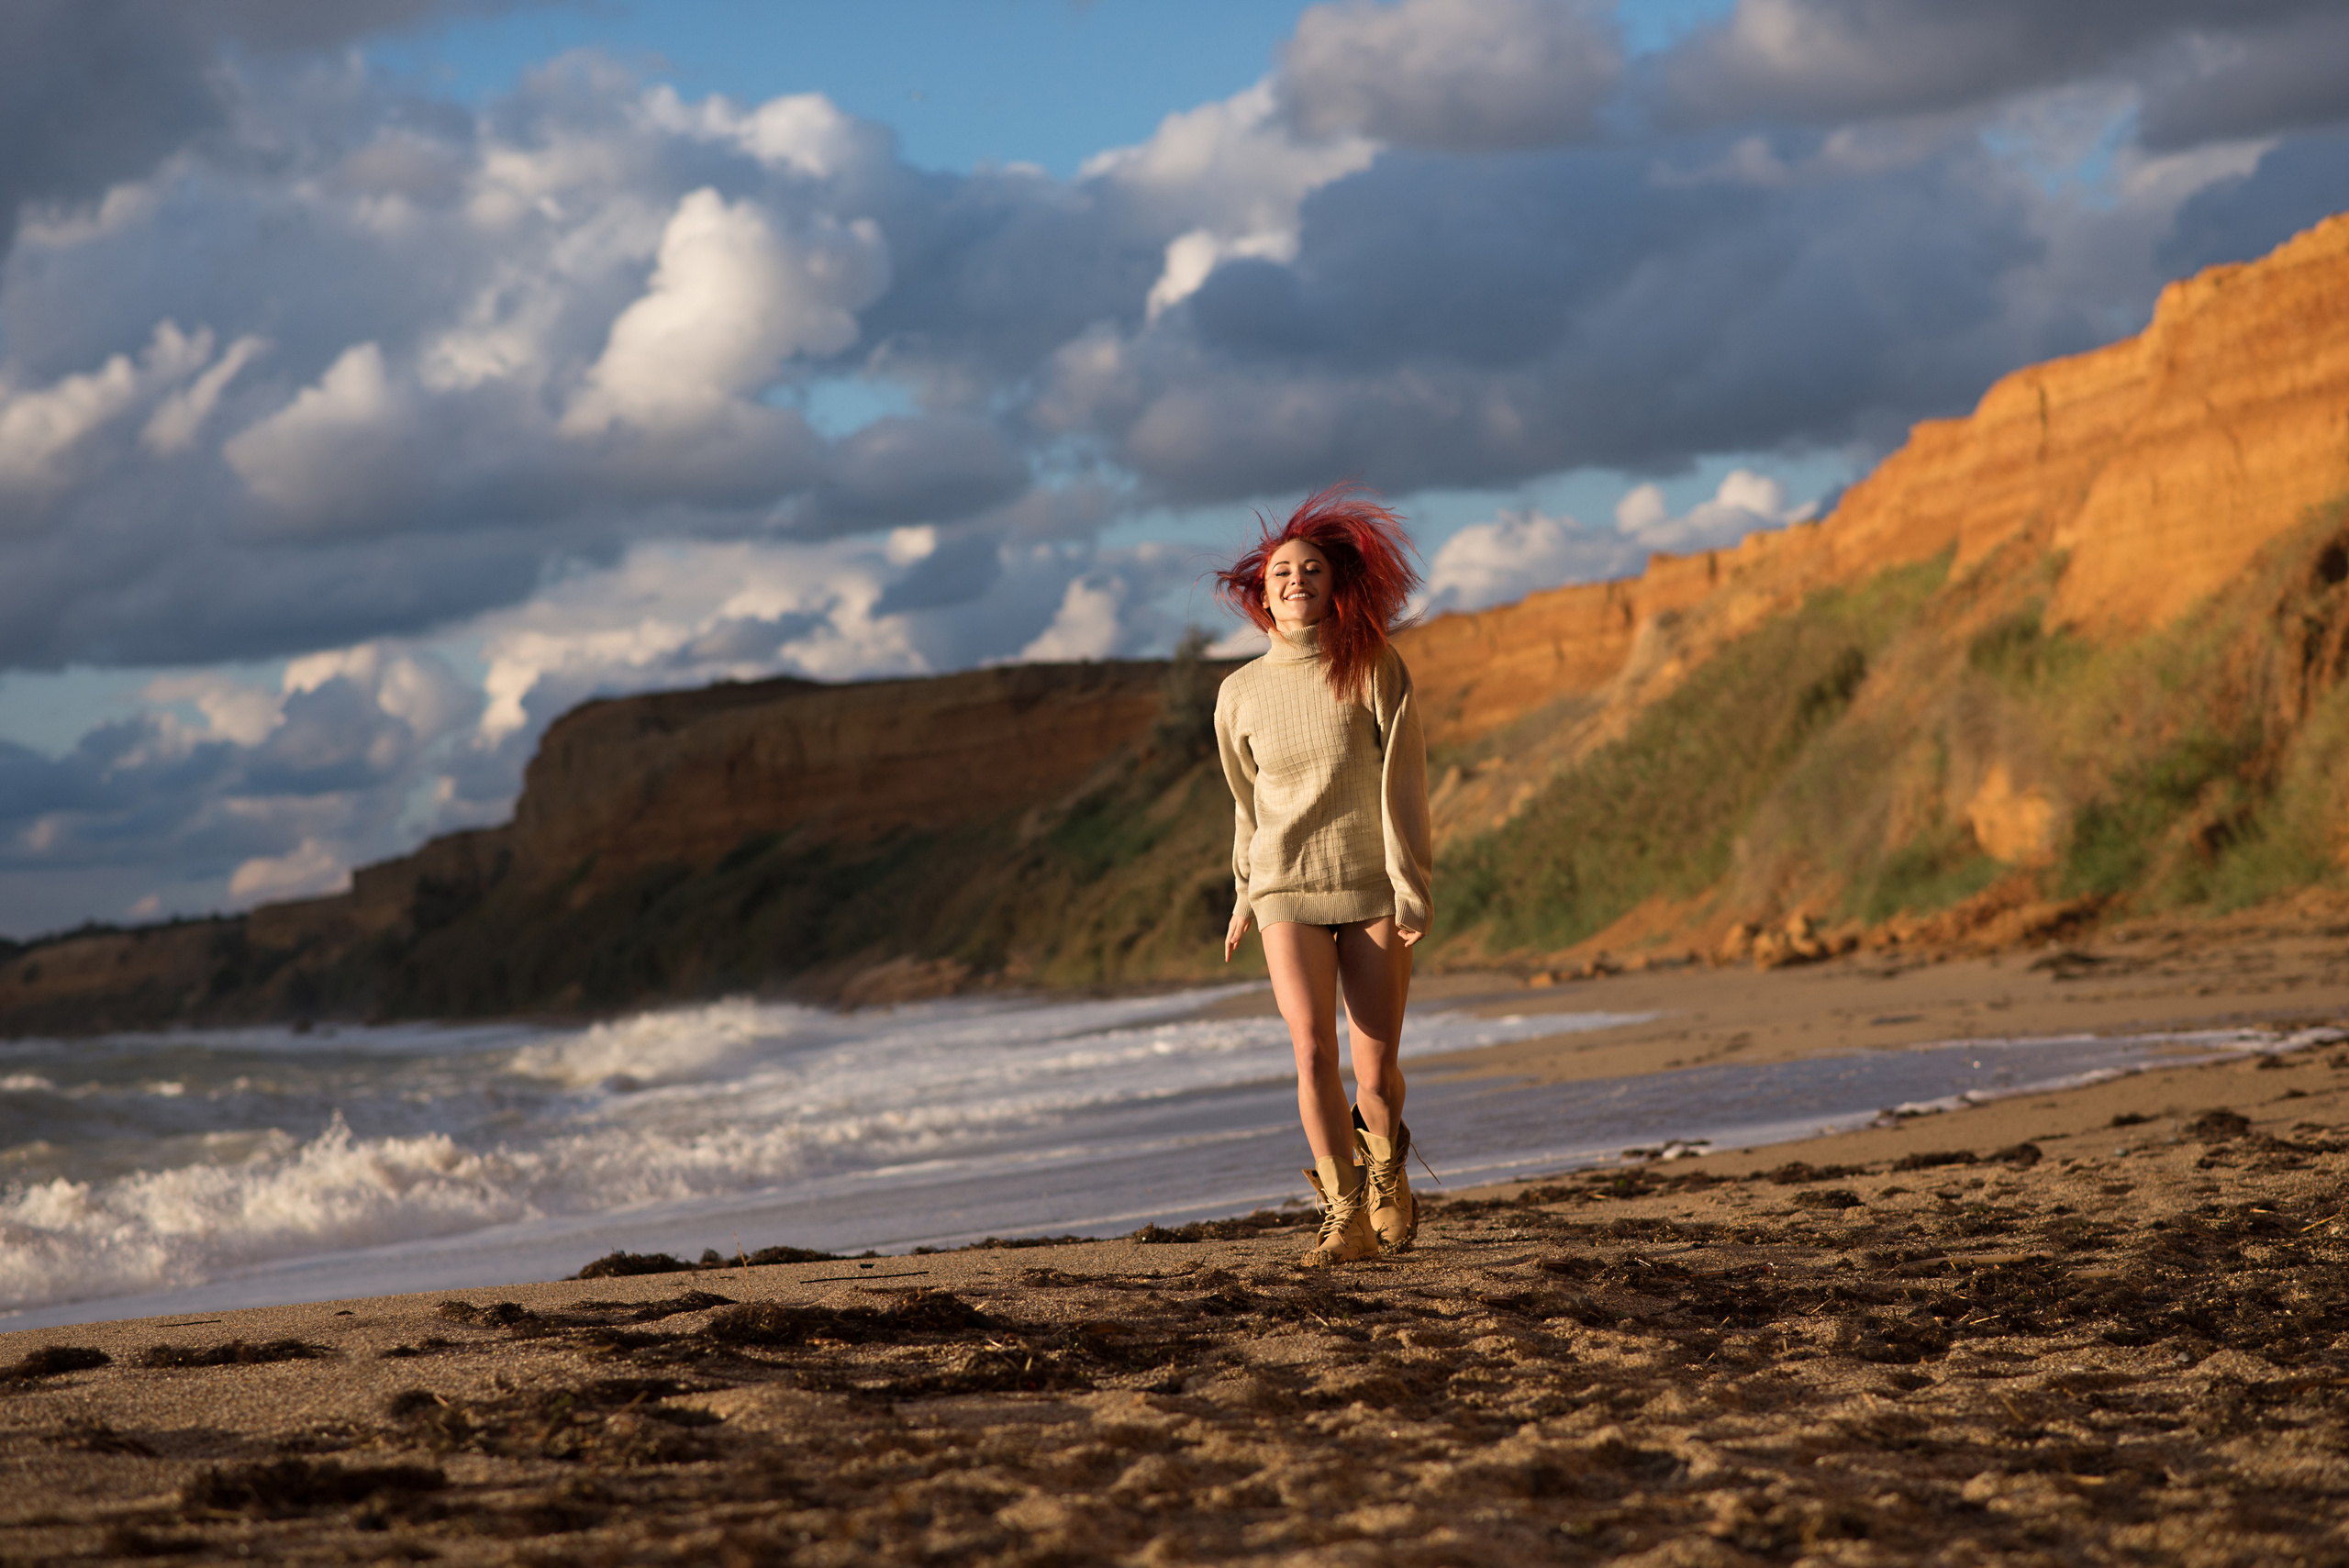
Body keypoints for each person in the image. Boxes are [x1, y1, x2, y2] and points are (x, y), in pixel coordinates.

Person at [1212, 484, 1432, 1266]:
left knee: (1374, 1073)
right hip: (1284, 887)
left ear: (1336, 584)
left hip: (1370, 882)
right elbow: (1249, 805)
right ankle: (1345, 1213)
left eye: (1310, 569)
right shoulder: (1237, 693)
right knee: (1311, 1052)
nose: (1295, 580)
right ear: (1261, 595)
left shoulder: (1372, 665)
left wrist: (1411, 882)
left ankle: (1386, 1172)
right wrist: (1245, 892)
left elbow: (1401, 783)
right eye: (1280, 573)